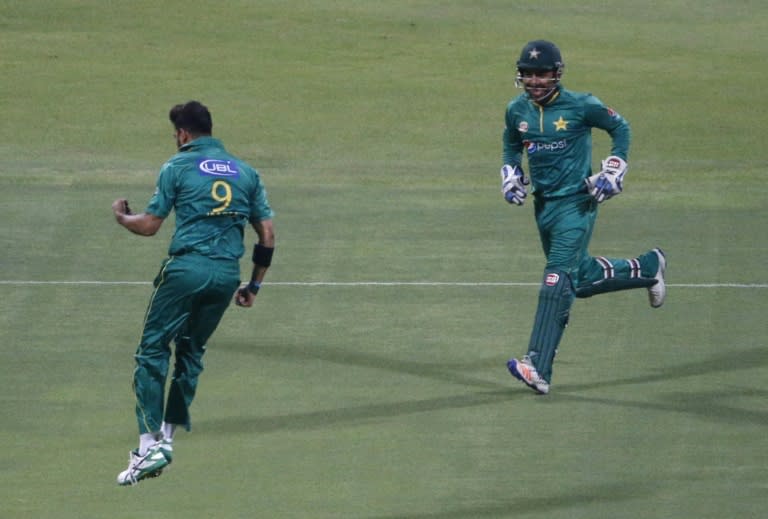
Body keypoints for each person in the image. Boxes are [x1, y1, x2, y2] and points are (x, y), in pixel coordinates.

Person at [111, 100, 275, 485]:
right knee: (191, 351)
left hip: (186, 270)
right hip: (225, 276)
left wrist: (122, 217)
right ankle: (167, 439)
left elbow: (150, 225)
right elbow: (267, 235)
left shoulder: (179, 166)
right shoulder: (246, 173)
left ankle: (148, 445)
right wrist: (253, 284)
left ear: (183, 134)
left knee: (152, 350)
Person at [500, 40, 666, 395]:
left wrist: (615, 166)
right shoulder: (517, 111)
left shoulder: (581, 105)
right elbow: (511, 144)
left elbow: (620, 128)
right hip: (543, 206)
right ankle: (648, 268)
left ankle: (537, 366)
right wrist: (510, 173)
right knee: (580, 278)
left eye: (542, 73)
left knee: (556, 278)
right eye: (528, 74)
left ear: (557, 74)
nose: (535, 80)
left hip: (578, 203)